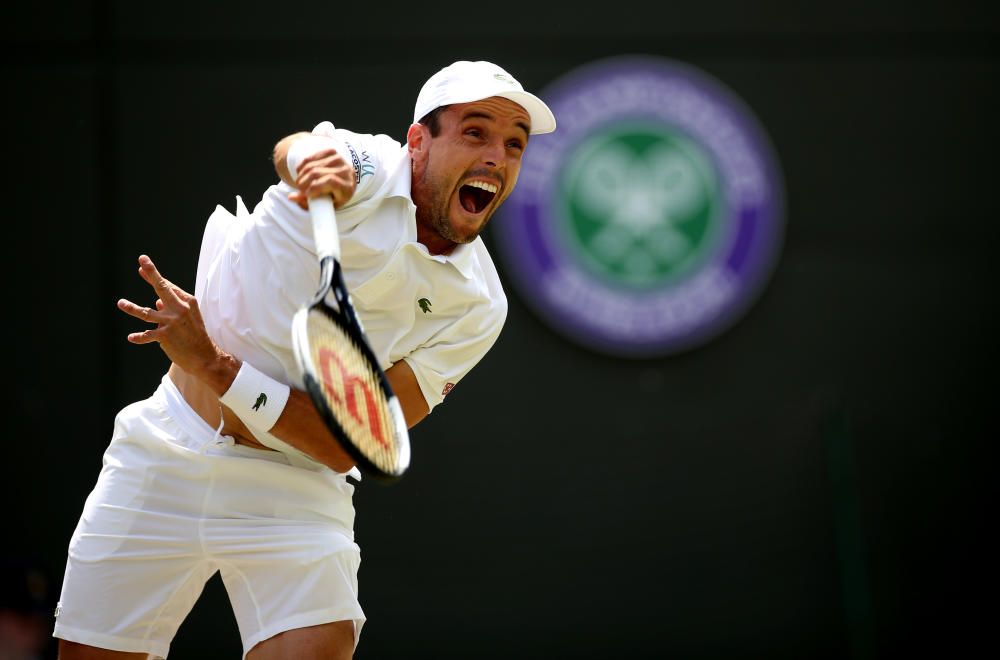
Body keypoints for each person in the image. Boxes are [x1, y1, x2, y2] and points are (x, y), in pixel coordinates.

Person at [52, 60, 555, 660]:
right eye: (475, 133)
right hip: (165, 449)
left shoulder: (478, 306)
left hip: (296, 491)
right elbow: (307, 149)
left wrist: (215, 366)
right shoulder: (367, 164)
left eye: (514, 145)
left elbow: (350, 443)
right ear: (417, 143)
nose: (498, 156)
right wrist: (306, 161)